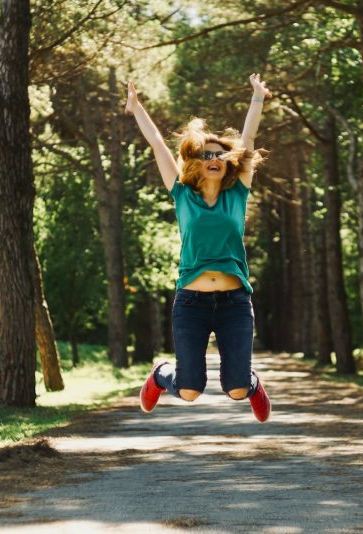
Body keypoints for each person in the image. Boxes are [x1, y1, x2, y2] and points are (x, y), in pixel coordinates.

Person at [125, 74, 272, 423]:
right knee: (189, 391)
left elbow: (247, 138)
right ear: (196, 162)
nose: (214, 158)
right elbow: (159, 144)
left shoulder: (238, 193)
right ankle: (161, 375)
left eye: (220, 155)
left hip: (235, 303)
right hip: (191, 302)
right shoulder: (182, 194)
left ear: (228, 163)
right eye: (207, 154)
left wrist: (257, 98)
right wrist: (136, 107)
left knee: (236, 389)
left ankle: (250, 384)